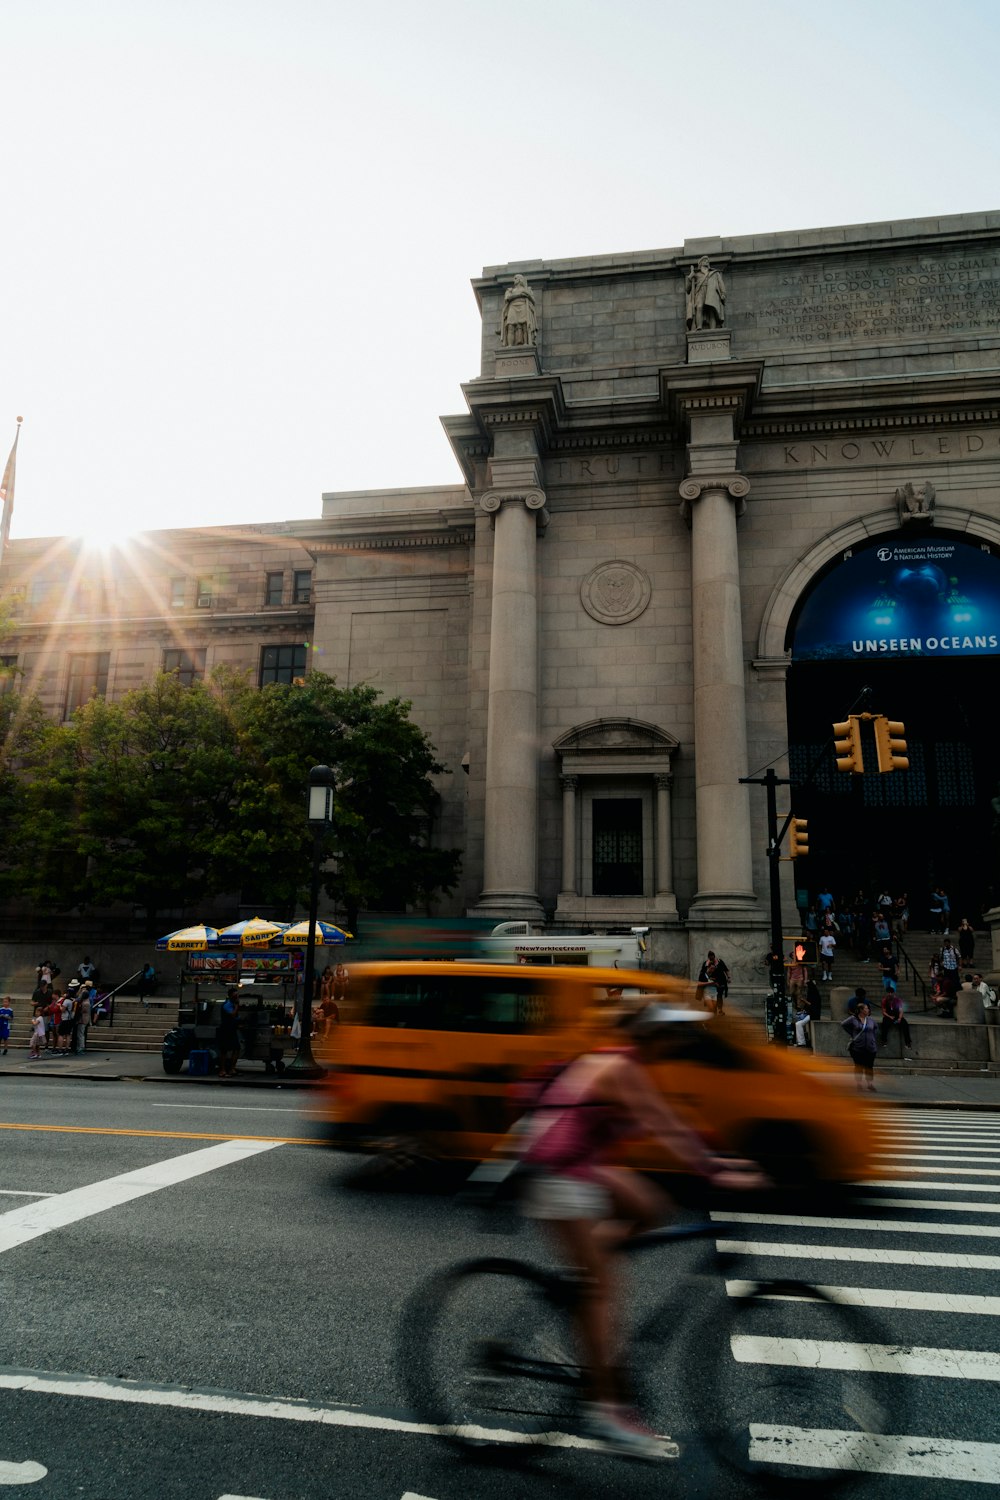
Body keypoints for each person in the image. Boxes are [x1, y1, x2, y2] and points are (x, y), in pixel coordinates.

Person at [516, 996, 766, 1458]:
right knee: (605, 1292)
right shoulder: (621, 1067)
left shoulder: (628, 1065)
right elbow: (664, 1127)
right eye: (673, 1034)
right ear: (654, 1037)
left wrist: (718, 1157)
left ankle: (590, 1266)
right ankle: (605, 1411)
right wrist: (717, 1172)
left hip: (581, 1165)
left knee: (651, 1205)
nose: (679, 1042)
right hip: (558, 1172)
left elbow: (673, 1123)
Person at [842, 1001, 878, 1092]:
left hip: (870, 1047)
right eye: (866, 1008)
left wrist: (872, 1039)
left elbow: (875, 1028)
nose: (868, 1010)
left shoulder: (870, 1020)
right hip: (857, 1048)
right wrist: (853, 1034)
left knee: (869, 1066)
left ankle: (869, 1084)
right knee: (859, 1066)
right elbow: (843, 1024)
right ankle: (859, 1083)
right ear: (861, 1010)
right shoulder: (853, 1019)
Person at [684, 257, 726, 330]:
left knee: (711, 309)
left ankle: (712, 328)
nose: (706, 262)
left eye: (707, 261)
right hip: (700, 292)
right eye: (704, 261)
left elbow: (720, 283)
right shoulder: (696, 274)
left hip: (711, 292)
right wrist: (689, 278)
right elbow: (687, 289)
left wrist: (723, 293)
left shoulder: (715, 273)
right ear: (700, 264)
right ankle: (699, 326)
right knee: (699, 307)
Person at [499, 273, 538, 347]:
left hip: (523, 306)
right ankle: (510, 345)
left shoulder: (527, 290)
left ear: (520, 280)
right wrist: (520, 295)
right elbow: (507, 298)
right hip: (512, 307)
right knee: (510, 326)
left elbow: (533, 301)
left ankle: (526, 343)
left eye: (515, 278)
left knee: (524, 325)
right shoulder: (510, 290)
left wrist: (528, 295)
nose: (514, 280)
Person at [880, 986, 912, 1055]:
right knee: (884, 1024)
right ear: (887, 993)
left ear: (893, 993)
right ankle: (884, 1040)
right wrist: (889, 1017)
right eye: (889, 993)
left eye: (891, 993)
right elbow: (884, 1012)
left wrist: (900, 1018)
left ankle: (908, 1042)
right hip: (888, 1016)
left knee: (905, 1024)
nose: (890, 994)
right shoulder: (884, 1000)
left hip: (897, 1015)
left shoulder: (898, 1000)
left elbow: (901, 1010)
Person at [217, 989, 240, 1078]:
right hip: (226, 1030)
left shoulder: (232, 1004)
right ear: (230, 996)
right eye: (235, 996)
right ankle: (222, 1070)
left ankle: (232, 1068)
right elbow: (233, 1014)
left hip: (232, 1029)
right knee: (224, 1051)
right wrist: (237, 1006)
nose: (236, 998)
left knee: (236, 1048)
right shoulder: (227, 1005)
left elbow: (236, 1017)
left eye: (237, 996)